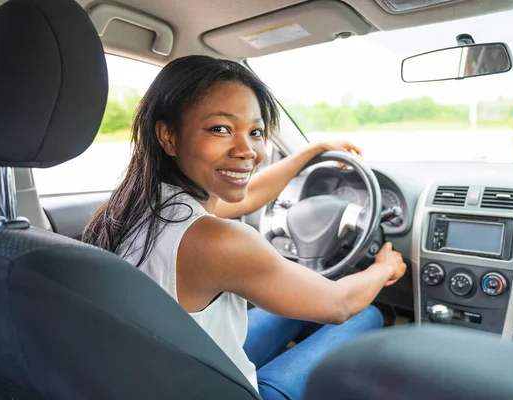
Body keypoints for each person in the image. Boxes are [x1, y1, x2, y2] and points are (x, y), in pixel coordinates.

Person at [83, 55, 407, 400]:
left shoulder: (132, 205)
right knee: (366, 315)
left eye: (255, 132)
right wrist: (383, 269)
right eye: (220, 129)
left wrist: (312, 151)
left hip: (162, 371)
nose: (248, 151)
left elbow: (247, 195)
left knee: (292, 313)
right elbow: (340, 303)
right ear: (168, 136)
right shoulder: (216, 240)